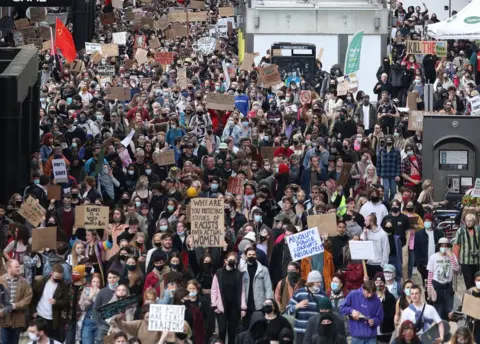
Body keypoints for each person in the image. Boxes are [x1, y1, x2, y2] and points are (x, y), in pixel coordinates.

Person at [211, 252, 247, 344]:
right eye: (230, 260)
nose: (232, 262)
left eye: (234, 260)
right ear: (225, 261)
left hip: (234, 307)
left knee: (232, 331)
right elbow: (214, 290)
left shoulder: (239, 274)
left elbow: (242, 291)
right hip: (221, 306)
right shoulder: (219, 273)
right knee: (222, 330)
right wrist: (214, 304)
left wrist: (243, 307)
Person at [31, 263, 70, 343]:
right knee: (40, 339)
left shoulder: (63, 286)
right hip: (40, 315)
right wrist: (33, 311)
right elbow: (33, 297)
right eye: (56, 277)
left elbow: (66, 302)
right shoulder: (41, 282)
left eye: (60, 277)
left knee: (53, 340)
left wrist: (56, 302)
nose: (58, 279)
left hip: (53, 318)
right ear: (51, 273)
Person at [286, 270, 326, 344]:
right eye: (317, 282)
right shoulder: (299, 293)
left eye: (320, 282)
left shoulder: (322, 295)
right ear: (311, 282)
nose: (319, 284)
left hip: (316, 331)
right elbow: (288, 310)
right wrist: (297, 306)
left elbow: (327, 312)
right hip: (301, 331)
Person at [0, 259, 33, 344]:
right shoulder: (1, 280)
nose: (19, 268)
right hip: (4, 319)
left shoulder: (24, 282)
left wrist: (15, 305)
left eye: (19, 266)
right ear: (9, 268)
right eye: (17, 267)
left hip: (17, 319)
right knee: (4, 341)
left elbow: (28, 298)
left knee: (14, 342)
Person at [427, 237, 460, 320]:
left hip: (448, 286)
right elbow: (430, 274)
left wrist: (451, 256)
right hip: (437, 286)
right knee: (438, 311)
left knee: (448, 311)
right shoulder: (433, 257)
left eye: (446, 246)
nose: (444, 248)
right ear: (439, 247)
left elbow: (456, 269)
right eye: (442, 246)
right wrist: (429, 289)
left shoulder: (452, 256)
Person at [240, 246, 273, 329]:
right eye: (249, 254)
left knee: (258, 326)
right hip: (246, 303)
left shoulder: (263, 269)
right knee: (246, 327)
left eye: (253, 254)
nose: (251, 256)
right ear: (246, 256)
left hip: (259, 303)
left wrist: (268, 301)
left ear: (256, 255)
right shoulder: (242, 270)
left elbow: (268, 286)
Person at [453, 213, 480, 289]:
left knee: (476, 282)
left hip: (476, 261)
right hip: (465, 261)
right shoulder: (461, 231)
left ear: (474, 221)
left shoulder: (478, 230)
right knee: (468, 282)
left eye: (470, 221)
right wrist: (456, 260)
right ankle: (470, 298)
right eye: (467, 220)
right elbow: (456, 246)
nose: (468, 222)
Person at [361, 213, 390, 279]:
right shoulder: (366, 231)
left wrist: (383, 265)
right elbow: (362, 245)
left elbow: (386, 250)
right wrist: (365, 234)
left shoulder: (382, 234)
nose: (364, 222)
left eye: (366, 221)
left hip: (378, 265)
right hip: (368, 264)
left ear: (371, 222)